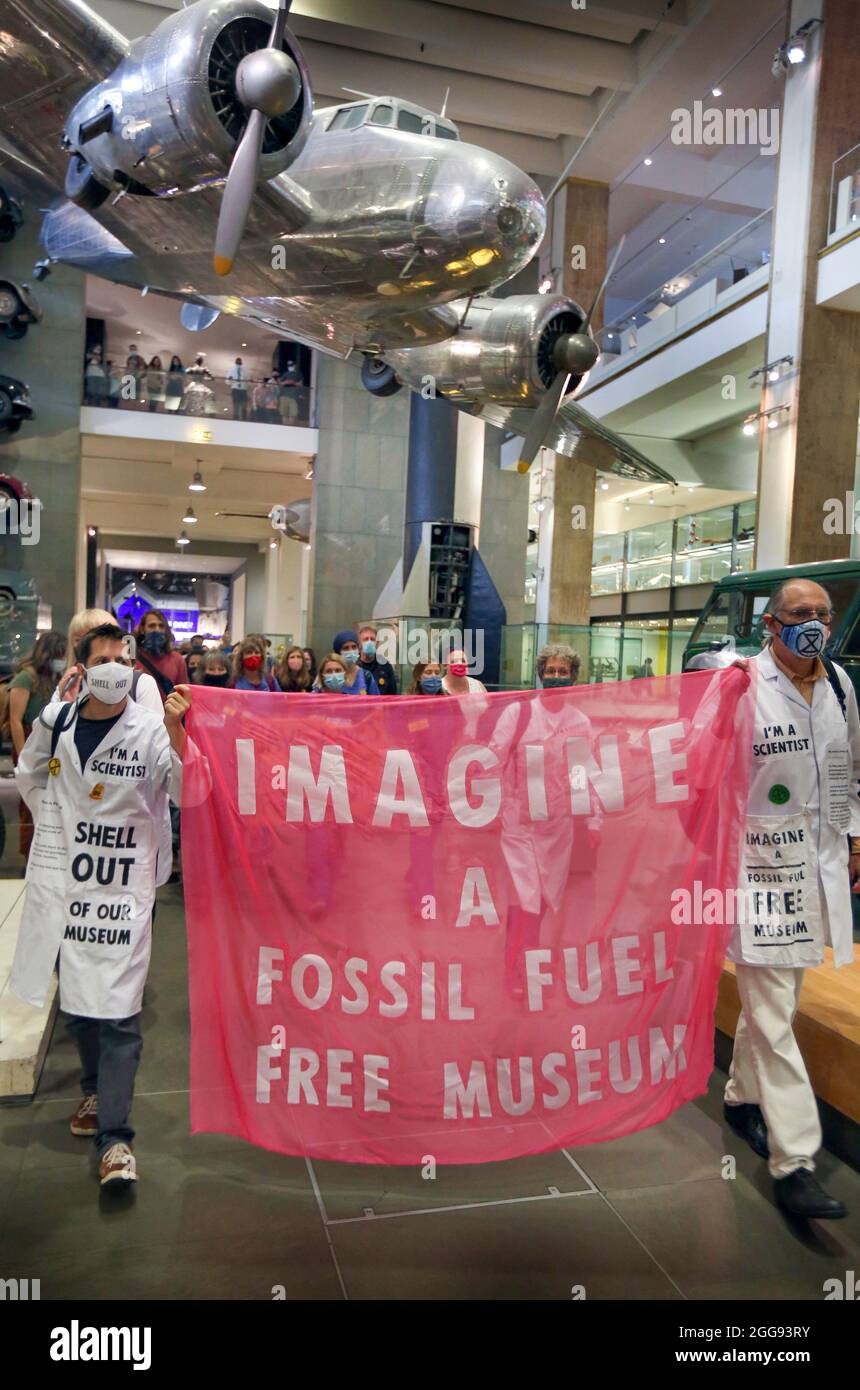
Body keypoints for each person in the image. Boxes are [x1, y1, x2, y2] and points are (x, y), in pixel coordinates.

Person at [10, 623, 194, 1188]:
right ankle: (92, 1091)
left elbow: (188, 792)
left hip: (125, 892)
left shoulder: (149, 728)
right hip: (69, 890)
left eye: (123, 657)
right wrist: (59, 826)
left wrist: (175, 729)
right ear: (82, 666)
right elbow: (29, 775)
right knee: (80, 1006)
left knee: (119, 1010)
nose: (115, 667)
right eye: (104, 658)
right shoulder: (60, 722)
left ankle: (117, 1140)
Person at [722, 579, 858, 1220]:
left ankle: (741, 1097)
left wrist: (853, 838)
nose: (814, 624)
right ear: (771, 625)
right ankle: (795, 1161)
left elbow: (846, 770)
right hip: (759, 869)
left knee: (776, 998)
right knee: (775, 1013)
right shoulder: (741, 682)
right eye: (800, 614)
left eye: (823, 614)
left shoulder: (839, 685)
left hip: (818, 864)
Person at [7, 630, 67, 861]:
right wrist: (24, 756)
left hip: (48, 743)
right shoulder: (26, 677)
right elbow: (16, 720)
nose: (61, 659)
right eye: (59, 654)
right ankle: (28, 852)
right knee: (29, 802)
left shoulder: (53, 678)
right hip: (29, 741)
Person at [53, 609, 162, 716]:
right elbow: (49, 726)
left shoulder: (140, 684)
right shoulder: (69, 684)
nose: (85, 645)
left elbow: (154, 729)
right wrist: (66, 710)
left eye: (94, 637)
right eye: (78, 639)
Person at [133, 609, 188, 704]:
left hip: (169, 716)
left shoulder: (177, 659)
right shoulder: (132, 658)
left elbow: (183, 693)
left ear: (166, 630)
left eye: (161, 626)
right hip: (139, 715)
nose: (157, 630)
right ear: (143, 629)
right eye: (151, 626)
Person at [357, 623, 398, 695]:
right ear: (359, 644)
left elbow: (392, 694)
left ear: (377, 643)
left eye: (372, 639)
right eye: (365, 639)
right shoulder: (354, 666)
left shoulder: (385, 665)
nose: (369, 642)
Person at [226, 356, 249, 421]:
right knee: (236, 406)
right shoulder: (231, 370)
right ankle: (236, 419)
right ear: (235, 363)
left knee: (243, 406)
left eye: (240, 362)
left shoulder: (245, 371)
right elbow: (227, 381)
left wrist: (245, 381)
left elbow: (248, 380)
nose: (239, 363)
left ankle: (244, 419)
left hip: (243, 390)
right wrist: (230, 380)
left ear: (241, 363)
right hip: (235, 389)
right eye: (237, 362)